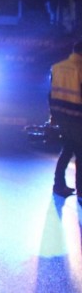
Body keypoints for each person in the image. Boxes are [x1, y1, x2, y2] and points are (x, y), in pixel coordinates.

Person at [49, 40, 82, 202]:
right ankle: (80, 189)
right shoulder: (80, 68)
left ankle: (59, 184)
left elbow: (50, 93)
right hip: (78, 117)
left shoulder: (57, 67)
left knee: (68, 150)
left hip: (62, 116)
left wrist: (53, 115)